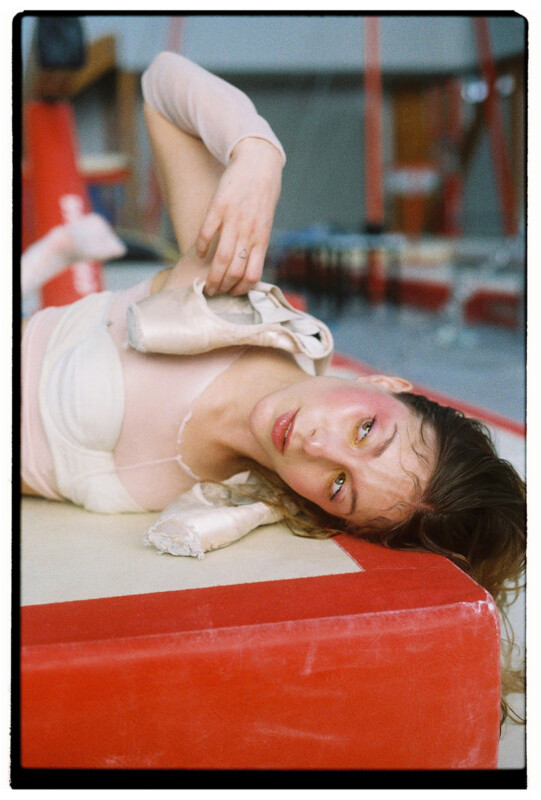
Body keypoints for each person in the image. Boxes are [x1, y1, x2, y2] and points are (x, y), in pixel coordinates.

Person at [21, 52, 525, 724]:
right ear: (386, 382)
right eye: (367, 430)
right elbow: (161, 83)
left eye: (340, 485)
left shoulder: (246, 504)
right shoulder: (222, 302)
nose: (318, 445)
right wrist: (258, 150)